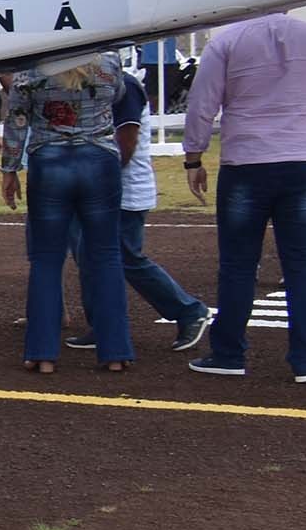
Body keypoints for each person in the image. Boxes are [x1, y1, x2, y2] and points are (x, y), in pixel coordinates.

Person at [181, 11, 306, 382]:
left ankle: (228, 353)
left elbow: (202, 103)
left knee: (238, 264)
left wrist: (194, 156)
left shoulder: (226, 41)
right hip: (304, 160)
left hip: (247, 160)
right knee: (303, 263)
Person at [0, 56, 132, 374]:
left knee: (46, 259)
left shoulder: (30, 69)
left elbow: (17, 119)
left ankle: (42, 352)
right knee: (106, 256)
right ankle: (115, 350)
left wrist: (10, 168)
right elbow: (118, 96)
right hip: (99, 158)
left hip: (48, 159)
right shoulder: (109, 64)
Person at [68, 73, 211, 355]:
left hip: (123, 190)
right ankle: (102, 325)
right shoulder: (93, 83)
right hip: (98, 188)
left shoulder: (125, 85)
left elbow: (127, 140)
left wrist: (97, 181)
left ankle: (189, 311)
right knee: (88, 256)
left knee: (125, 257)